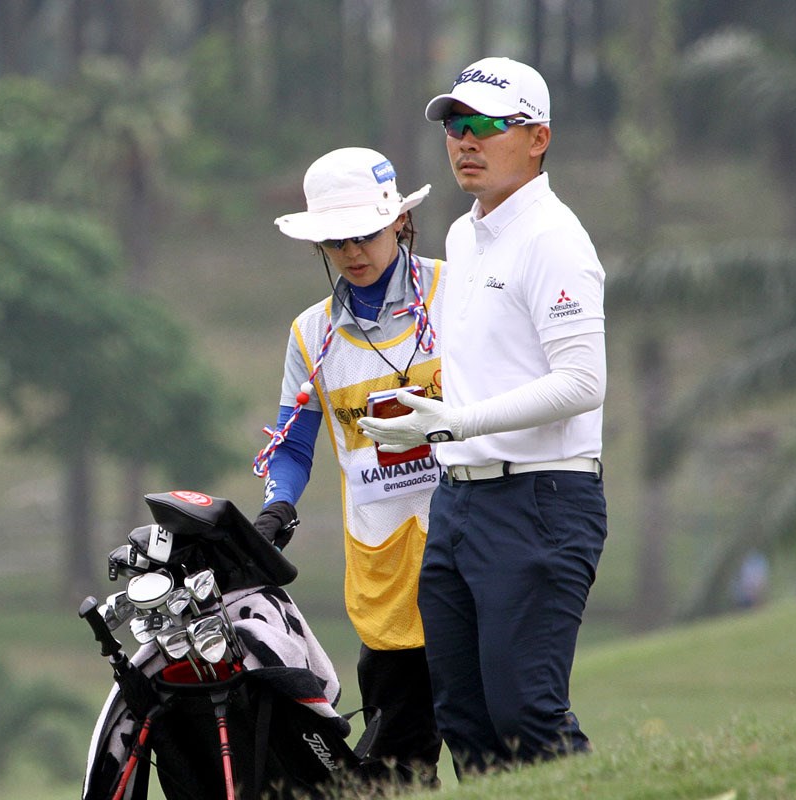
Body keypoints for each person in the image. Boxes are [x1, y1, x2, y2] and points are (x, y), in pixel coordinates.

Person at [358, 57, 608, 775]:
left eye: (487, 127)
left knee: (526, 710)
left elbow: (583, 382)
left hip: (542, 497)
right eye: (455, 126)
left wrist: (450, 423)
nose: (465, 141)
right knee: (464, 716)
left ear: (538, 138)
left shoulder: (554, 240)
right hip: (462, 501)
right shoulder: (466, 237)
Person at [252, 146, 444, 788]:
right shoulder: (311, 334)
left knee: (484, 728)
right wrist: (278, 502)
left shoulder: (455, 293)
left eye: (364, 235)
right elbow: (294, 442)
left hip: (468, 545)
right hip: (383, 566)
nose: (353, 252)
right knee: (397, 759)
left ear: (399, 223)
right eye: (336, 242)